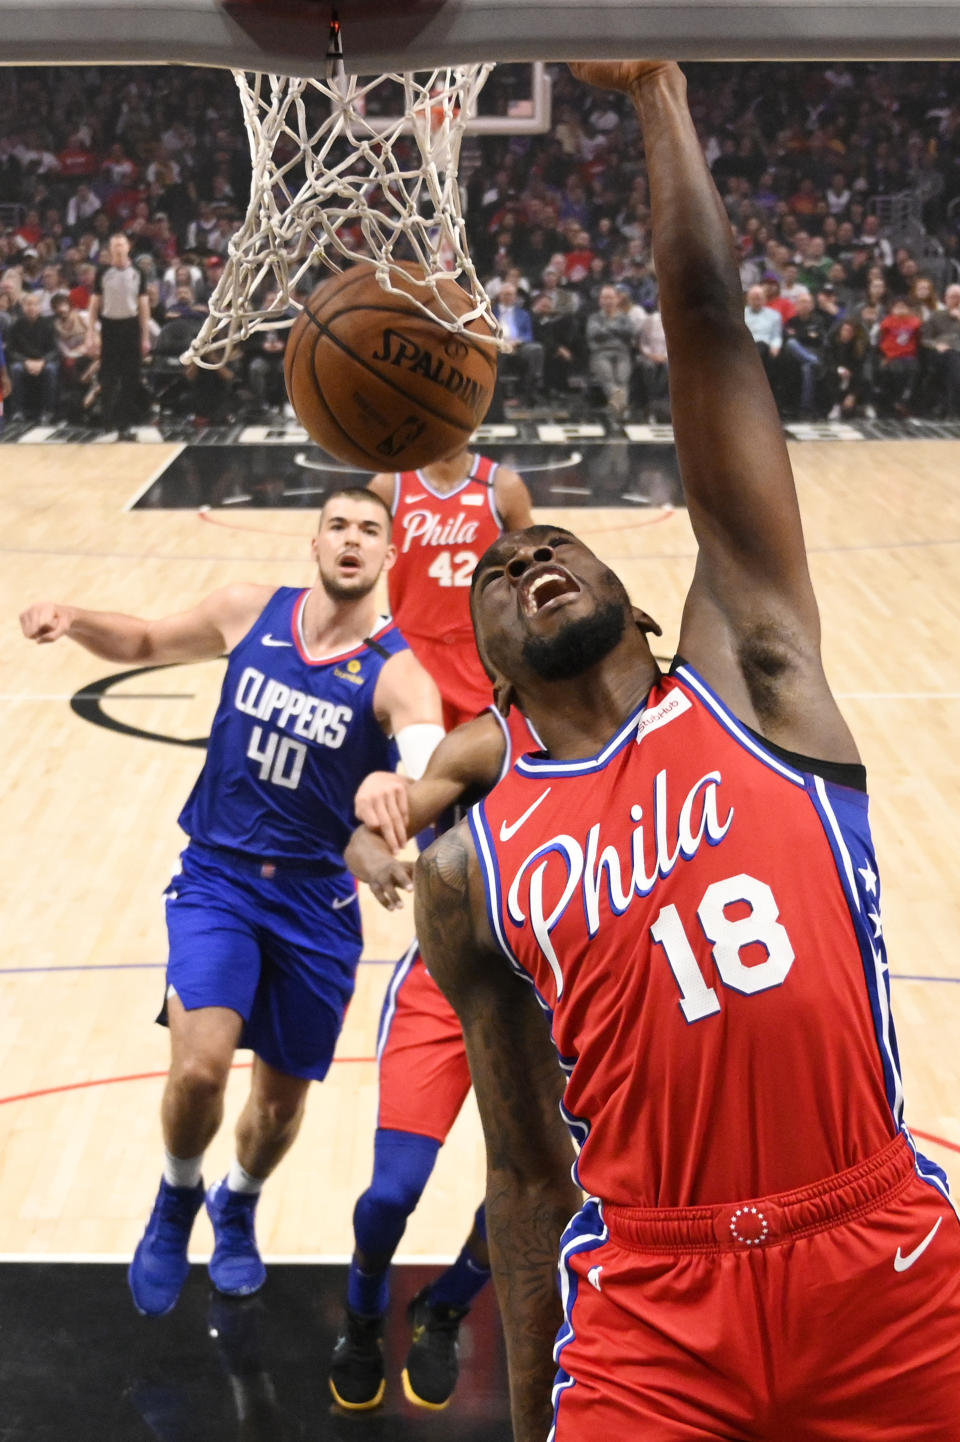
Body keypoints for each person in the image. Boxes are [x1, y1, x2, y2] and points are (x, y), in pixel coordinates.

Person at [415, 61, 960, 1442]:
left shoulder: (753, 677)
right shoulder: (473, 870)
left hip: (884, 1258)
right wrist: (536, 1401)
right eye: (501, 570)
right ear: (490, 670)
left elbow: (712, 332)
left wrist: (656, 91)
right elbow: (528, 1171)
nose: (527, 551)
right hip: (656, 1303)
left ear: (648, 605)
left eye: (556, 543)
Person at [19, 488, 444, 1320]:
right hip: (219, 879)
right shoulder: (249, 612)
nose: (352, 540)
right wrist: (73, 616)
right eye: (339, 526)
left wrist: (402, 788)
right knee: (201, 1066)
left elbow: (433, 765)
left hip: (317, 904)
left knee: (278, 1107)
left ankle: (238, 1200)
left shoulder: (398, 677)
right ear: (313, 542)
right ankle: (177, 1196)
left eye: (370, 531)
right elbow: (142, 639)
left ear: (389, 556)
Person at [327, 700, 543, 1412]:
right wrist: (379, 864)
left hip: (549, 1004)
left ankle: (444, 1308)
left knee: (534, 1194)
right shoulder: (484, 745)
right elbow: (363, 838)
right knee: (393, 1190)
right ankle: (363, 1313)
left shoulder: (628, 747)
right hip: (445, 987)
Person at [368, 445, 533, 733]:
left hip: (482, 652)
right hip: (413, 650)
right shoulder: (390, 485)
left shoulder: (502, 485)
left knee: (485, 767)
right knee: (424, 767)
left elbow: (531, 567)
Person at [86, 230, 151, 439]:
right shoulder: (103, 272)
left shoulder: (138, 272)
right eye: (115, 245)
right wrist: (91, 332)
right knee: (108, 376)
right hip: (110, 326)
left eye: (121, 244)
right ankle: (107, 420)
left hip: (131, 326)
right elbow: (95, 303)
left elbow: (143, 304)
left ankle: (123, 421)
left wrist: (145, 336)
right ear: (110, 249)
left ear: (128, 247)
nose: (118, 248)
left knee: (131, 377)